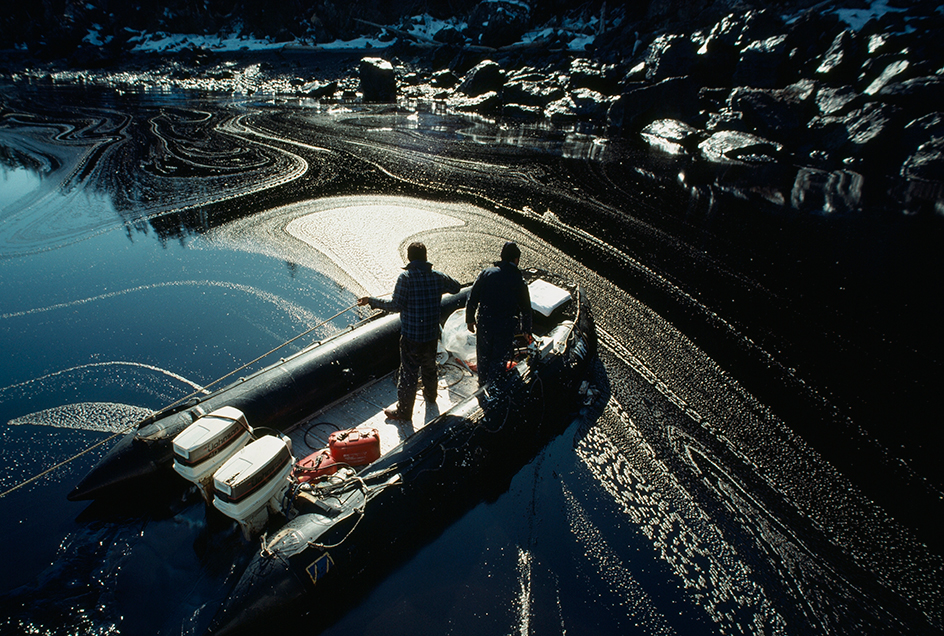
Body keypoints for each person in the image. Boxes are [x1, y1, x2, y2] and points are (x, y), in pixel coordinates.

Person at [358, 242, 461, 422]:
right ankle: (431, 397)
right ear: (426, 256)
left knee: (408, 374)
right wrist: (439, 285)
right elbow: (456, 287)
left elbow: (395, 305)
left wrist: (371, 301)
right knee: (430, 368)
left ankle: (404, 413)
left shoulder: (405, 278)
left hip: (411, 337)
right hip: (430, 336)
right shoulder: (437, 277)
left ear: (409, 258)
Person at [465, 241, 532, 388]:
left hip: (485, 322)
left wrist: (469, 319)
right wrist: (526, 330)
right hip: (504, 325)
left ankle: (482, 382)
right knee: (498, 358)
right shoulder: (518, 280)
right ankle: (493, 387)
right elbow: (526, 308)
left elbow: (472, 298)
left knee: (483, 355)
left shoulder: (486, 273)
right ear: (516, 259)